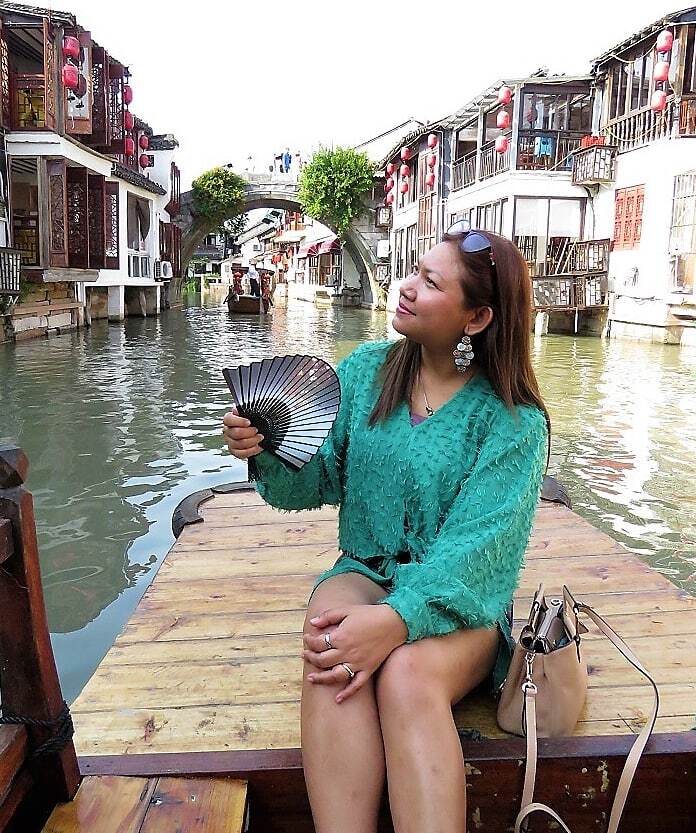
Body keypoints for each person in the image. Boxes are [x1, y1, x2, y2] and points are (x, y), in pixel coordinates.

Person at [222, 221, 550, 833]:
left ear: (477, 318)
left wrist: (397, 621)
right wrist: (264, 449)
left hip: (458, 606)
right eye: (415, 272)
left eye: (431, 283)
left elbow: (477, 554)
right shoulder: (366, 372)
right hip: (365, 570)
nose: (406, 287)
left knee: (407, 674)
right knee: (330, 638)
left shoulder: (512, 422)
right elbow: (313, 482)